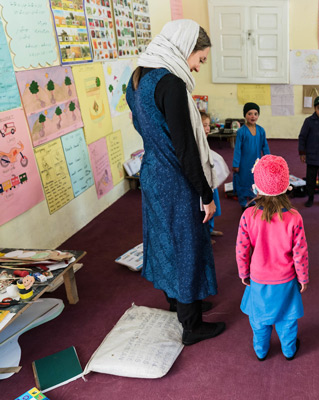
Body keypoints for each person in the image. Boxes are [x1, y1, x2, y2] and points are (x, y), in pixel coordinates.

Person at [126, 19, 225, 346]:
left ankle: (180, 302)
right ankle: (191, 325)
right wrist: (206, 194)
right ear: (185, 48)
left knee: (165, 239)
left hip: (152, 171)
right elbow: (185, 148)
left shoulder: (137, 77)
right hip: (175, 178)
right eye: (200, 59)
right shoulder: (171, 84)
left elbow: (142, 126)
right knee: (187, 245)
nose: (197, 67)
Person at [236, 155, 308, 361]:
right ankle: (289, 351)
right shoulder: (294, 217)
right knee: (287, 319)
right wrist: (303, 278)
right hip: (286, 279)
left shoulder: (248, 215)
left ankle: (261, 351)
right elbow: (300, 252)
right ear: (286, 186)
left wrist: (244, 273)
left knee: (259, 320)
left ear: (256, 187)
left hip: (258, 279)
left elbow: (241, 249)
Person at [232, 102, 270, 210]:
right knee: (243, 181)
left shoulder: (261, 130)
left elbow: (265, 146)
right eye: (250, 114)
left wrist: (268, 160)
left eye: (255, 114)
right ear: (245, 115)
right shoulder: (241, 132)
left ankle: (253, 201)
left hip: (256, 163)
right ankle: (243, 203)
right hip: (244, 163)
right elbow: (237, 149)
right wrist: (236, 164)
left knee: (255, 181)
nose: (253, 116)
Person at [201, 112, 229, 241]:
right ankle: (205, 235)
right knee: (204, 209)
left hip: (211, 181)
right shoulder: (195, 142)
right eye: (204, 125)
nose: (207, 129)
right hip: (204, 182)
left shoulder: (203, 140)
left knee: (214, 205)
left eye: (208, 125)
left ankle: (210, 229)